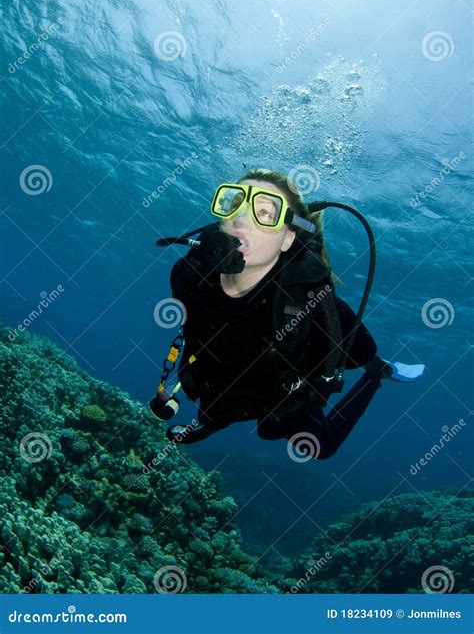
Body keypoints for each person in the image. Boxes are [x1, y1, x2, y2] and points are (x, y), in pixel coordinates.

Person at [162, 168, 420, 458]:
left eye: (265, 213)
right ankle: (210, 421)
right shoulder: (187, 275)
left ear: (287, 240)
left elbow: (361, 350)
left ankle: (377, 375)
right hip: (222, 379)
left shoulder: (319, 310)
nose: (242, 219)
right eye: (235, 205)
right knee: (215, 402)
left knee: (320, 448)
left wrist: (357, 363)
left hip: (278, 391)